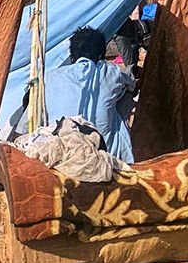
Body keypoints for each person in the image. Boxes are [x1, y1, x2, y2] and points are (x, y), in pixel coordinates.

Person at [44, 27, 136, 162]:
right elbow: (131, 85)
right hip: (104, 154)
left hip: (58, 151)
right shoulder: (110, 71)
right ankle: (125, 153)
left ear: (71, 58)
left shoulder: (49, 77)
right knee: (124, 95)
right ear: (100, 56)